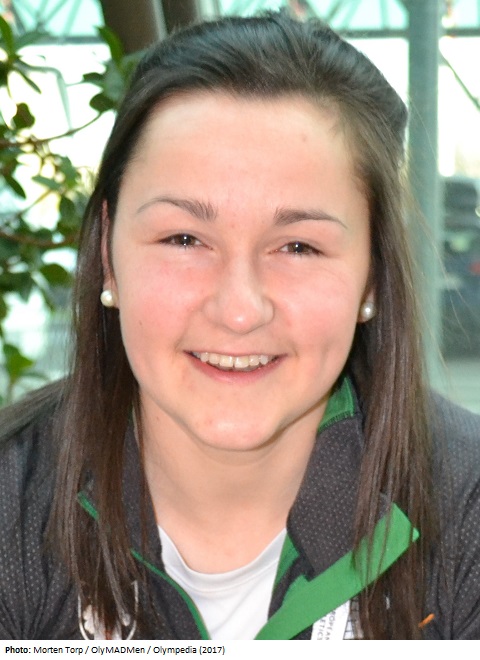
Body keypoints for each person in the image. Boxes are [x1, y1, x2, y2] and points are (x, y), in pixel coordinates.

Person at [1, 11, 479, 641]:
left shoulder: (466, 511)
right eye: (184, 238)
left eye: (299, 247)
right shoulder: (13, 508)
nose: (239, 309)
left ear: (372, 277)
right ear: (108, 257)